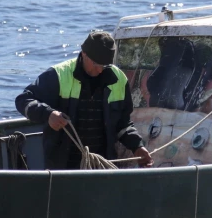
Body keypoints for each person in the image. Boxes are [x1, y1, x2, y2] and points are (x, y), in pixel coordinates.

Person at [16, 30, 153, 170]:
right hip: (63, 168)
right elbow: (23, 100)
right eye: (95, 64)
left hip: (102, 166)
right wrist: (48, 114)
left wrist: (137, 146)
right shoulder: (58, 75)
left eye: (104, 65)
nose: (99, 70)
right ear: (84, 54)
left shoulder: (119, 80)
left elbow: (123, 124)